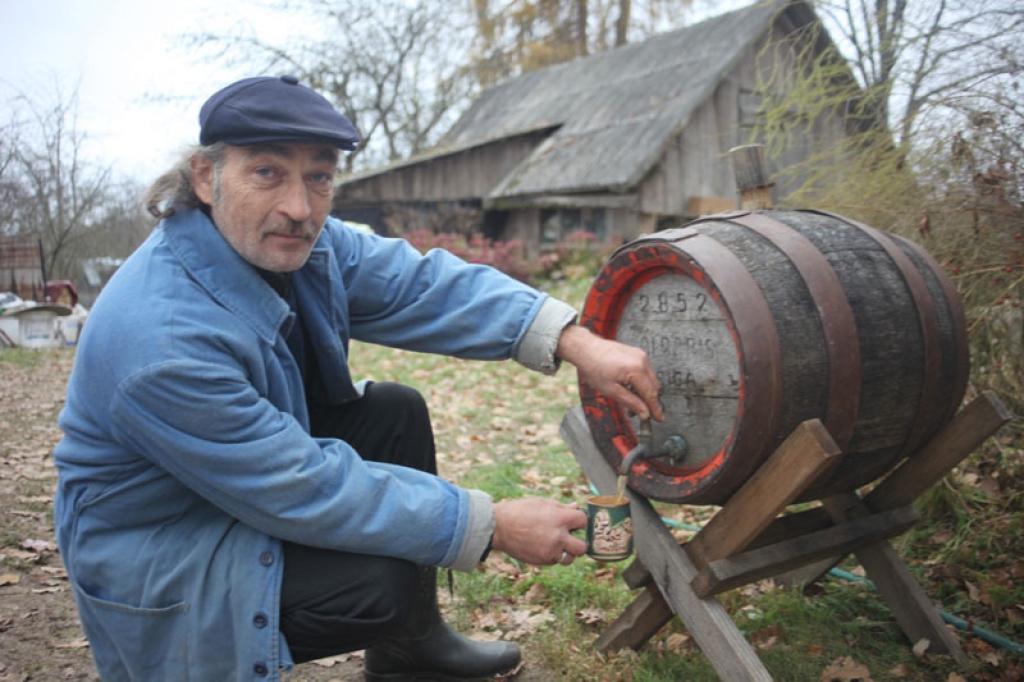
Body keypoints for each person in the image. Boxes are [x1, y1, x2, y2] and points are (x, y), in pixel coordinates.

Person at [53, 75, 662, 682]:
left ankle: (410, 653)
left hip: (236, 482)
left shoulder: (302, 245)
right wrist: (493, 524)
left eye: (319, 176)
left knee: (393, 411)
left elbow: (421, 286)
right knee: (384, 574)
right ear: (206, 178)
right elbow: (299, 486)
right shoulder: (161, 345)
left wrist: (575, 341)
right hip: (167, 541)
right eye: (267, 172)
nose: (299, 207)